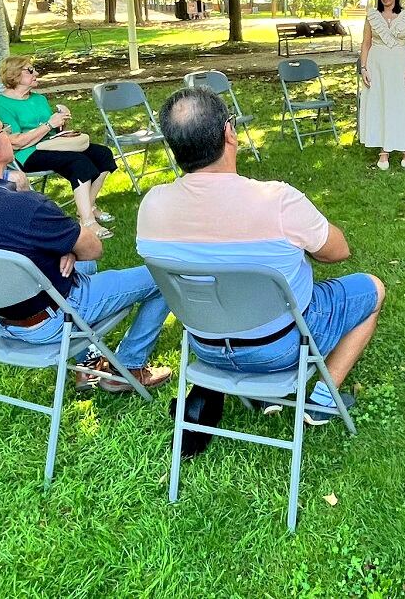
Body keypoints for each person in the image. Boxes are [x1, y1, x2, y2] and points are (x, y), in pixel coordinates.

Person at [137, 87, 385, 424]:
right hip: (279, 348)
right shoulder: (278, 200)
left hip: (205, 346)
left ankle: (258, 393)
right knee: (372, 289)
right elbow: (337, 251)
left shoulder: (151, 206)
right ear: (229, 133)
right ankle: (324, 402)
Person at [0, 105, 172, 392]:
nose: (9, 133)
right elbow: (93, 248)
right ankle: (129, 366)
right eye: (4, 128)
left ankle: (87, 362)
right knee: (162, 275)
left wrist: (65, 249)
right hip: (47, 320)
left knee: (83, 266)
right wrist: (68, 242)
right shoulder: (23, 207)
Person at [0, 55, 117, 237]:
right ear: (15, 75)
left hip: (51, 144)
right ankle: (88, 221)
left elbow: (50, 130)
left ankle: (88, 206)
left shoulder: (39, 99)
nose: (36, 73)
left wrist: (61, 121)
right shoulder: (2, 105)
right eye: (30, 70)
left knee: (103, 154)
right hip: (26, 154)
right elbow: (15, 141)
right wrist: (49, 124)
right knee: (78, 162)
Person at [358, 0, 405, 170]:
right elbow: (366, 44)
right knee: (381, 103)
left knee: (400, 103)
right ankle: (383, 150)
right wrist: (364, 68)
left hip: (399, 65)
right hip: (377, 66)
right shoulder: (372, 16)